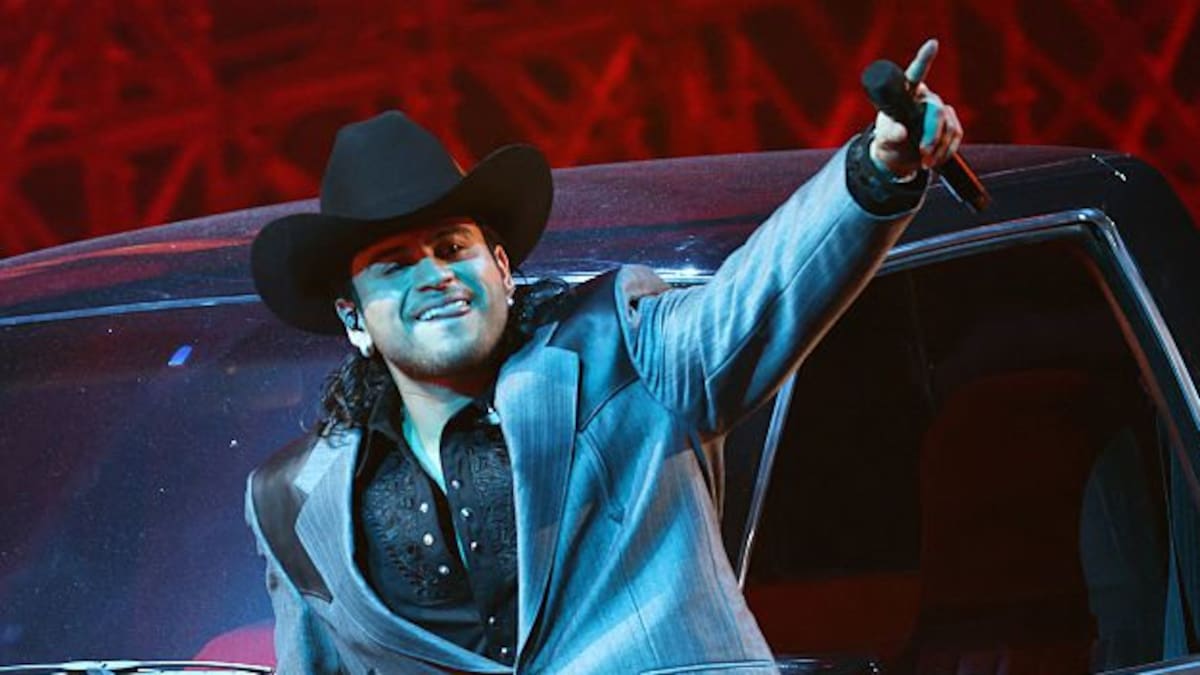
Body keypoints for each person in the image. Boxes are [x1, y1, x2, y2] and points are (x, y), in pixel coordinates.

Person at [246, 40, 962, 674]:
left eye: (452, 247)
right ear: (354, 316)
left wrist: (878, 168)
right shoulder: (291, 499)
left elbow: (759, 298)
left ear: (501, 267)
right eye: (395, 265)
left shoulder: (622, 347)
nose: (433, 275)